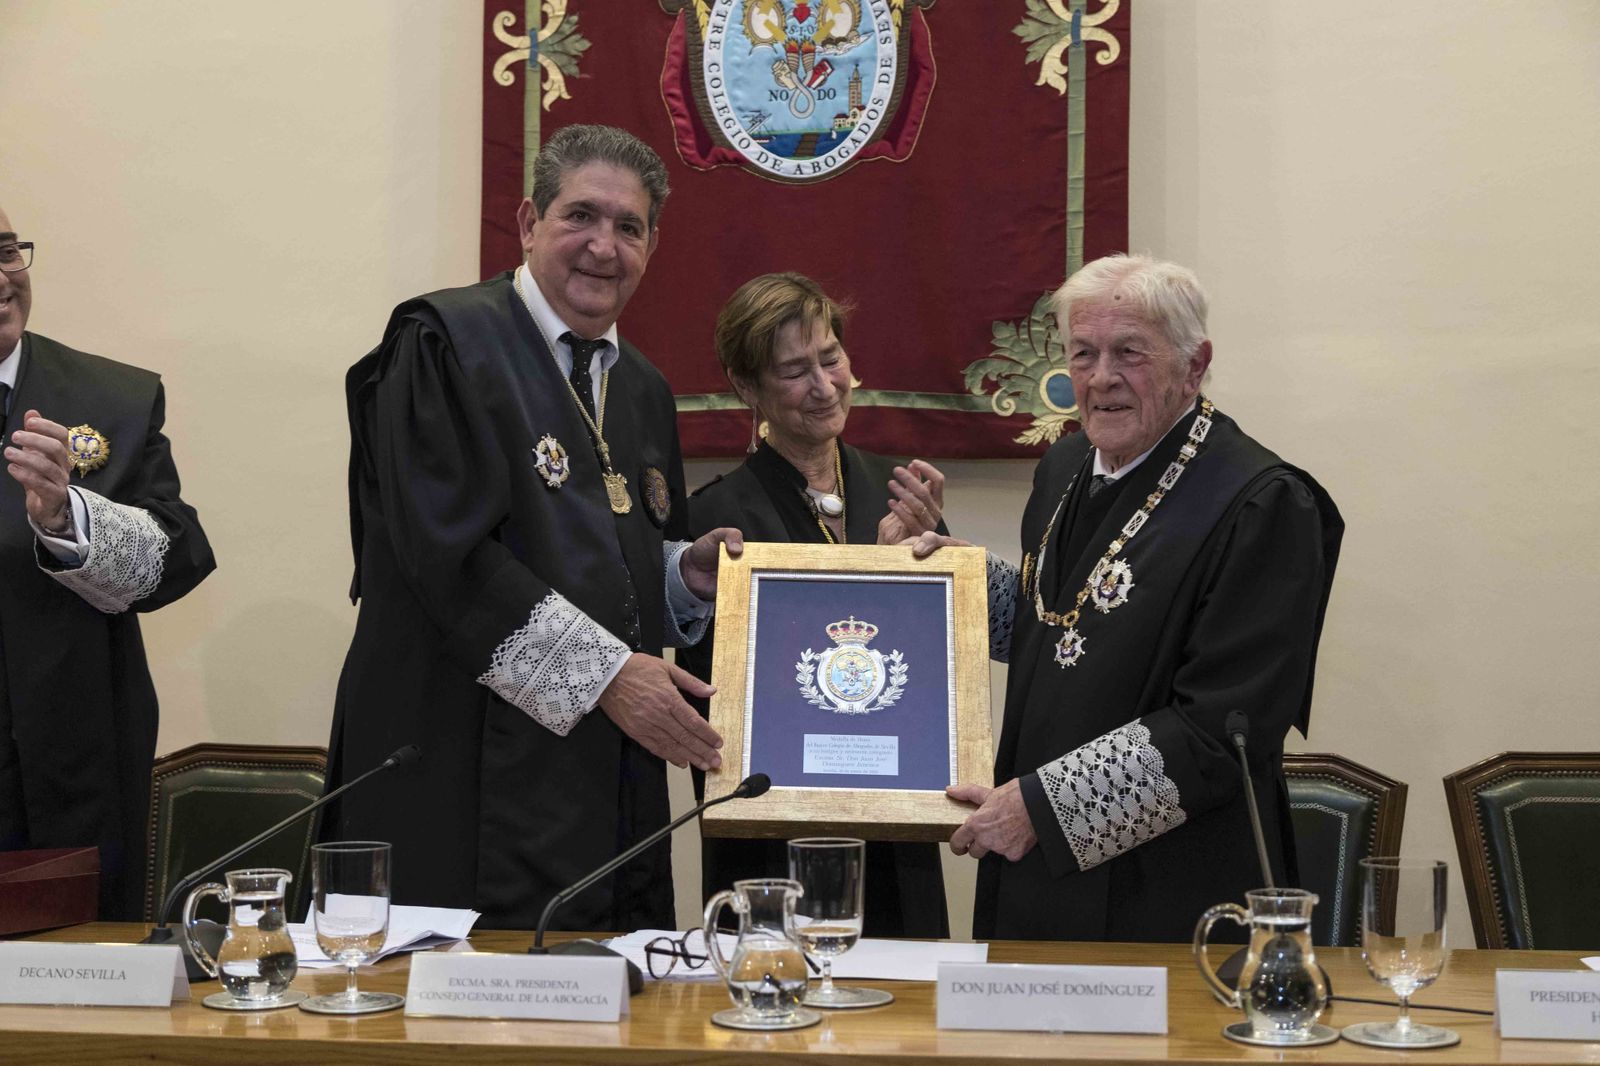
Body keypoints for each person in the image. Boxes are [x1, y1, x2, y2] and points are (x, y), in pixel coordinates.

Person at [327, 125, 741, 931]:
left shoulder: (645, 390)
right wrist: (609, 676)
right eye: (580, 216)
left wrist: (676, 577)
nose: (603, 247)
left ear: (653, 245)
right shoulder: (442, 345)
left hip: (595, 782)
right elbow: (443, 556)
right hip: (457, 760)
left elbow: (591, 559)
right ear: (526, 222)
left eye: (629, 227)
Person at [920, 254, 1343, 941]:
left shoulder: (1263, 505)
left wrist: (1044, 811)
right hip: (1038, 873)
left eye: (1129, 354)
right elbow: (1058, 627)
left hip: (1176, 897)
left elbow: (1221, 731)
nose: (1101, 378)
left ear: (1195, 365)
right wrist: (951, 582)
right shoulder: (1063, 468)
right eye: (1083, 354)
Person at [680, 272, 950, 937]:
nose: (824, 386)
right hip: (771, 836)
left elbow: (932, 677)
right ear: (749, 390)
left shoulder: (900, 491)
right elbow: (707, 704)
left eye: (831, 359)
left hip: (895, 824)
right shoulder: (717, 520)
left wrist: (920, 569)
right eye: (794, 371)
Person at [0, 205, 216, 921]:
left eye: (6, 251)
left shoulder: (109, 399)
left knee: (70, 1001)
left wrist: (68, 520)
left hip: (62, 765)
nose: (2, 277)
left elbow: (178, 556)